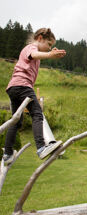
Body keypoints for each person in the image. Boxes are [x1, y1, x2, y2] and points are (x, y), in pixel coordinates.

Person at [2, 28, 66, 165]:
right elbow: (33, 54)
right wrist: (50, 55)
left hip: (14, 87)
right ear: (40, 38)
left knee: (16, 121)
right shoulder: (30, 48)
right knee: (37, 114)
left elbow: (37, 56)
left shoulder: (36, 53)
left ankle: (7, 153)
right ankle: (41, 147)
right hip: (23, 85)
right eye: (49, 44)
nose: (49, 48)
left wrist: (49, 54)